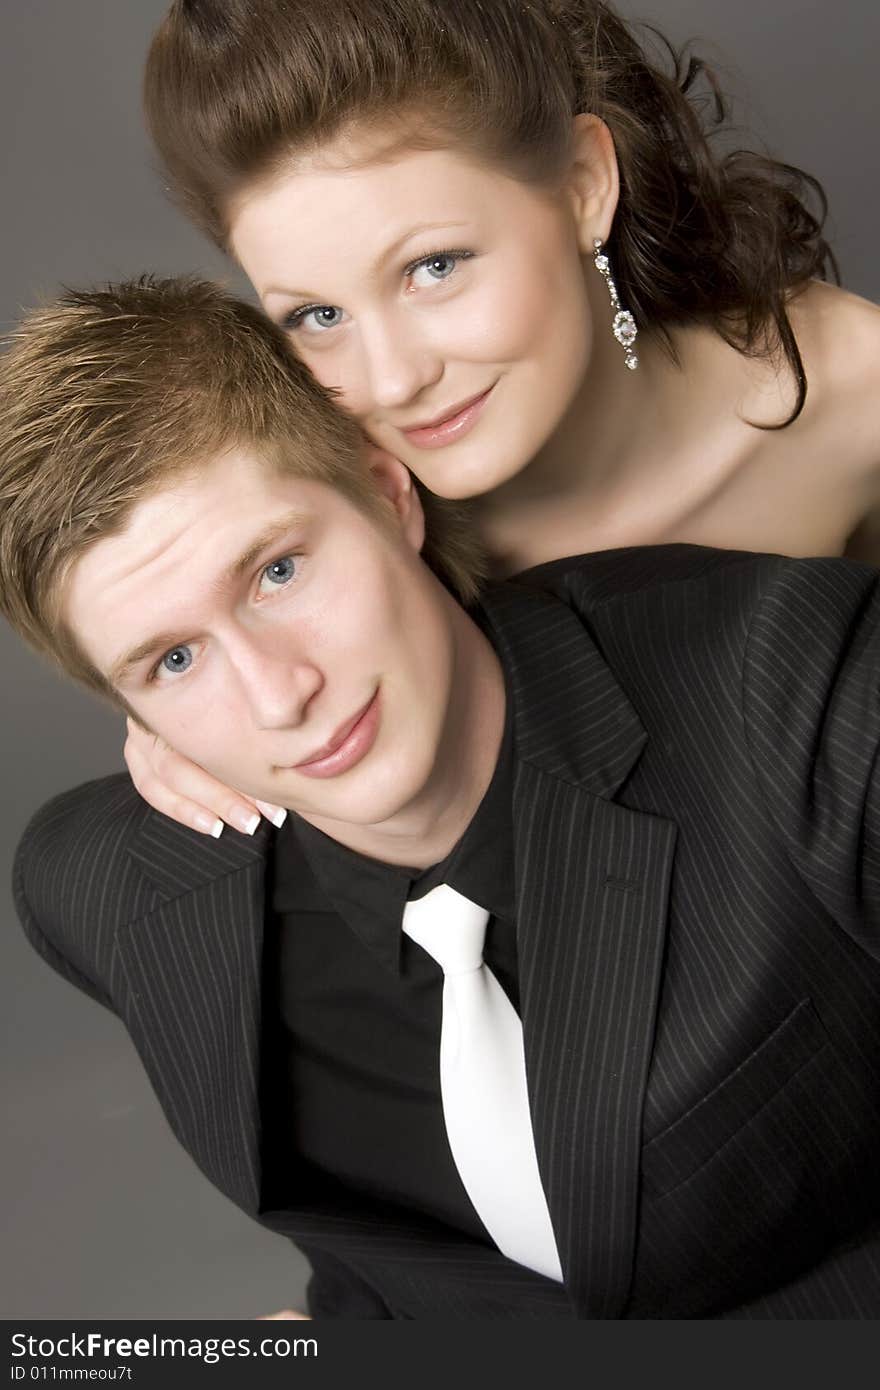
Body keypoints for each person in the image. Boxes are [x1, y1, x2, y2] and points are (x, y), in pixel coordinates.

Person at [2, 274, 880, 1319]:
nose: (280, 696)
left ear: (387, 491)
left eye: (278, 572)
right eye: (174, 659)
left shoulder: (799, 686)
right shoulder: (105, 888)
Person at [128, 0, 880, 838]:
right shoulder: (330, 505)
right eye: (316, 316)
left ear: (583, 185)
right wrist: (182, 714)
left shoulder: (857, 398)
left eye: (433, 267)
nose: (392, 381)